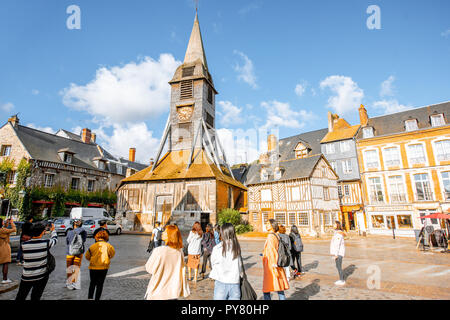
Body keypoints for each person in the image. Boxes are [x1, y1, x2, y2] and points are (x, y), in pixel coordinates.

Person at [144, 224, 190, 300]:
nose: (163, 233)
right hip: (173, 293)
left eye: (165, 232)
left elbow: (149, 268)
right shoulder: (179, 252)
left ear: (170, 235)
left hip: (158, 292)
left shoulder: (159, 250)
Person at [16, 222, 58, 300]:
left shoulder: (24, 245)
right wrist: (53, 230)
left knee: (21, 296)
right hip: (41, 275)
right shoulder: (46, 243)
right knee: (36, 296)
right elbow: (55, 239)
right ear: (42, 232)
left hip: (27, 275)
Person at [209, 223, 242, 300]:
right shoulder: (236, 248)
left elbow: (213, 264)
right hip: (235, 283)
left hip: (221, 282)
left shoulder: (217, 248)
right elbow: (239, 266)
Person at [262, 219, 289, 300]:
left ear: (273, 225)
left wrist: (274, 265)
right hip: (277, 263)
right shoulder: (276, 235)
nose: (266, 225)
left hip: (271, 265)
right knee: (279, 288)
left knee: (266, 289)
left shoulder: (270, 236)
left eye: (268, 224)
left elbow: (272, 251)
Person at [85, 230, 115, 300]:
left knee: (92, 283)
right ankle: (97, 298)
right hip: (103, 267)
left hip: (93, 267)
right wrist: (107, 257)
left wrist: (93, 260)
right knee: (100, 285)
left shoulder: (92, 246)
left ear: (97, 237)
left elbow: (87, 256)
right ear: (106, 237)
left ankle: (90, 298)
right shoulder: (109, 246)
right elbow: (112, 254)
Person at [66, 220, 87, 290]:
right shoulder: (83, 232)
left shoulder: (69, 232)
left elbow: (67, 241)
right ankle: (74, 282)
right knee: (76, 267)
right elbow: (83, 241)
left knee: (69, 267)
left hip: (69, 251)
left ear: (74, 225)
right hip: (79, 251)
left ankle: (69, 283)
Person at [0, 218, 16, 284]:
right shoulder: (2, 230)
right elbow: (14, 229)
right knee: (6, 263)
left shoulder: (2, 230)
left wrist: (6, 223)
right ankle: (5, 279)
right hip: (4, 247)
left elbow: (5, 229)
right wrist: (12, 223)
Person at [330, 220, 346, 286]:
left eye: (334, 224)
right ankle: (341, 279)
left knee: (339, 266)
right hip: (338, 253)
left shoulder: (338, 234)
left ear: (337, 225)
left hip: (339, 253)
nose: (333, 225)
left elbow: (337, 244)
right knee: (338, 266)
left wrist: (336, 254)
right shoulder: (336, 233)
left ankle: (342, 280)